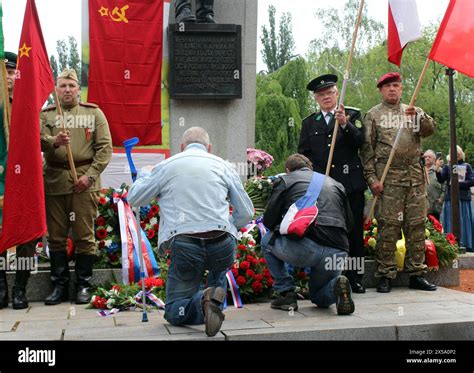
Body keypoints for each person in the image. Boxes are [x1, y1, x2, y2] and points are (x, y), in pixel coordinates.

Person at [127, 127, 253, 337]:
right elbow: (246, 212)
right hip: (222, 241)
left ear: (182, 147)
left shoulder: (166, 166)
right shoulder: (224, 166)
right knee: (217, 280)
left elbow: (135, 199)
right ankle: (211, 301)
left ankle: (205, 299)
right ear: (209, 147)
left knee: (174, 311)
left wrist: (144, 174)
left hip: (186, 243)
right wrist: (230, 225)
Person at [40, 68, 112, 305]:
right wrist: (54, 142)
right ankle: (59, 286)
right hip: (54, 181)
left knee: (84, 235)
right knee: (57, 237)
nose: (68, 90)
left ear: (78, 90)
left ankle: (83, 284)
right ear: (56, 90)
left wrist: (90, 177)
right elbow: (35, 139)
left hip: (83, 180)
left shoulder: (94, 113)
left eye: (72, 86)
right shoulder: (47, 115)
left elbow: (105, 149)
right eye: (63, 86)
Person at [360, 72, 437, 293]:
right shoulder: (373, 115)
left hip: (414, 179)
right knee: (388, 226)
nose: (392, 89)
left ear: (402, 89)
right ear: (381, 90)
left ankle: (416, 273)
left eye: (396, 86)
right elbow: (366, 150)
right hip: (389, 179)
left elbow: (429, 130)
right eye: (388, 87)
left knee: (416, 226)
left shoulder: (413, 111)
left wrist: (418, 118)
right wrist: (371, 178)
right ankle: (386, 274)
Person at [298, 74, 367, 293]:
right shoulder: (310, 123)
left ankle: (355, 277)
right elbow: (304, 155)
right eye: (321, 95)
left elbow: (360, 142)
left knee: (353, 231)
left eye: (329, 93)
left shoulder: (352, 114)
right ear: (316, 99)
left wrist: (345, 124)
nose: (326, 97)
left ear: (337, 94)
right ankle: (329, 277)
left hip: (350, 185)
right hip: (324, 188)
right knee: (327, 231)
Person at [261, 154, 355, 315]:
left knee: (267, 241)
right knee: (318, 296)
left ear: (288, 170)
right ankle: (337, 285)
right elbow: (350, 224)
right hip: (338, 250)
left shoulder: (285, 180)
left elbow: (269, 221)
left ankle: (286, 293)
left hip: (305, 248)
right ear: (310, 168)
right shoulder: (335, 184)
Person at [0, 52, 37, 310]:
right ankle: (1, 288)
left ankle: (20, 288)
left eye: (11, 73)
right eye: (3, 73)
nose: (8, 78)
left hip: (25, 179)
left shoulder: (29, 105)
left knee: (27, 234)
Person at [435, 146, 474, 251]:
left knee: (464, 221)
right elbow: (441, 179)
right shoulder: (447, 167)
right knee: (450, 220)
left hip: (463, 199)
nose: (456, 155)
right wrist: (438, 168)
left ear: (461, 154)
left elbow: (472, 181)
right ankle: (451, 245)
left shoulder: (467, 166)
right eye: (453, 153)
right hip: (450, 200)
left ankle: (466, 244)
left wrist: (457, 184)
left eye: (457, 153)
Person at [424, 150, 445, 221]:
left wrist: (441, 199)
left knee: (435, 228)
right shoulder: (420, 170)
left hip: (435, 205)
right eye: (425, 157)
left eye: (429, 157)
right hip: (422, 205)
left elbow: (444, 186)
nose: (427, 158)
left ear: (434, 159)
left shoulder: (439, 170)